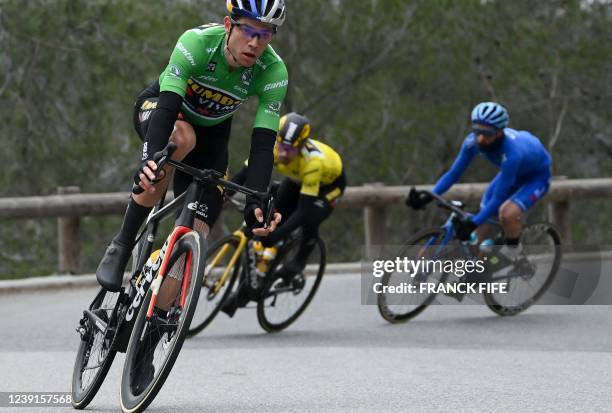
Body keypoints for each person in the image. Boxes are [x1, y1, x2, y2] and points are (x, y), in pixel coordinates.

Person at [96, 0, 287, 292]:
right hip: (162, 110)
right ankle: (122, 242)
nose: (254, 42)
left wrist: (257, 200)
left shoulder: (273, 71)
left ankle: (153, 326)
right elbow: (168, 108)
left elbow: (262, 145)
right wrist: (150, 158)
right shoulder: (197, 43)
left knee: (197, 232)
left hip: (213, 134)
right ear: (228, 25)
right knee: (179, 141)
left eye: (265, 34)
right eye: (248, 30)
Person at [222, 112, 345, 315]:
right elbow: (242, 176)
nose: (285, 154)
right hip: (297, 180)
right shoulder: (269, 147)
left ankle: (298, 263)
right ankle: (255, 280)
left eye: (291, 149)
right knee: (271, 216)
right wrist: (222, 195)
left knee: (310, 217)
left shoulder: (312, 162)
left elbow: (303, 210)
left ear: (302, 145)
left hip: (329, 186)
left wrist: (276, 235)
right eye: (282, 146)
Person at [406, 102, 552, 257]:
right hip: (513, 173)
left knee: (506, 214)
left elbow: (498, 198)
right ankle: (480, 267)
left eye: (487, 134)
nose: (481, 138)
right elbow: (453, 174)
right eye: (477, 131)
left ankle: (513, 251)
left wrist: (472, 224)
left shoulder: (512, 154)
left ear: (499, 133)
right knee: (483, 217)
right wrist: (428, 196)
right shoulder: (472, 142)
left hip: (536, 177)